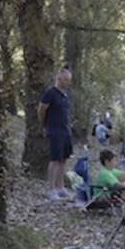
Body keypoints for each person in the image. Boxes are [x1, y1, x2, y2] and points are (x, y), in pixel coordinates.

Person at [38, 67, 73, 201]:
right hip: (54, 130)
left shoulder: (65, 95)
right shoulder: (50, 93)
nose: (67, 82)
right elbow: (41, 109)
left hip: (65, 130)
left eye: (69, 80)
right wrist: (45, 124)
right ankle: (51, 189)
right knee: (55, 159)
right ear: (58, 78)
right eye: (65, 79)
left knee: (63, 159)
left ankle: (60, 187)